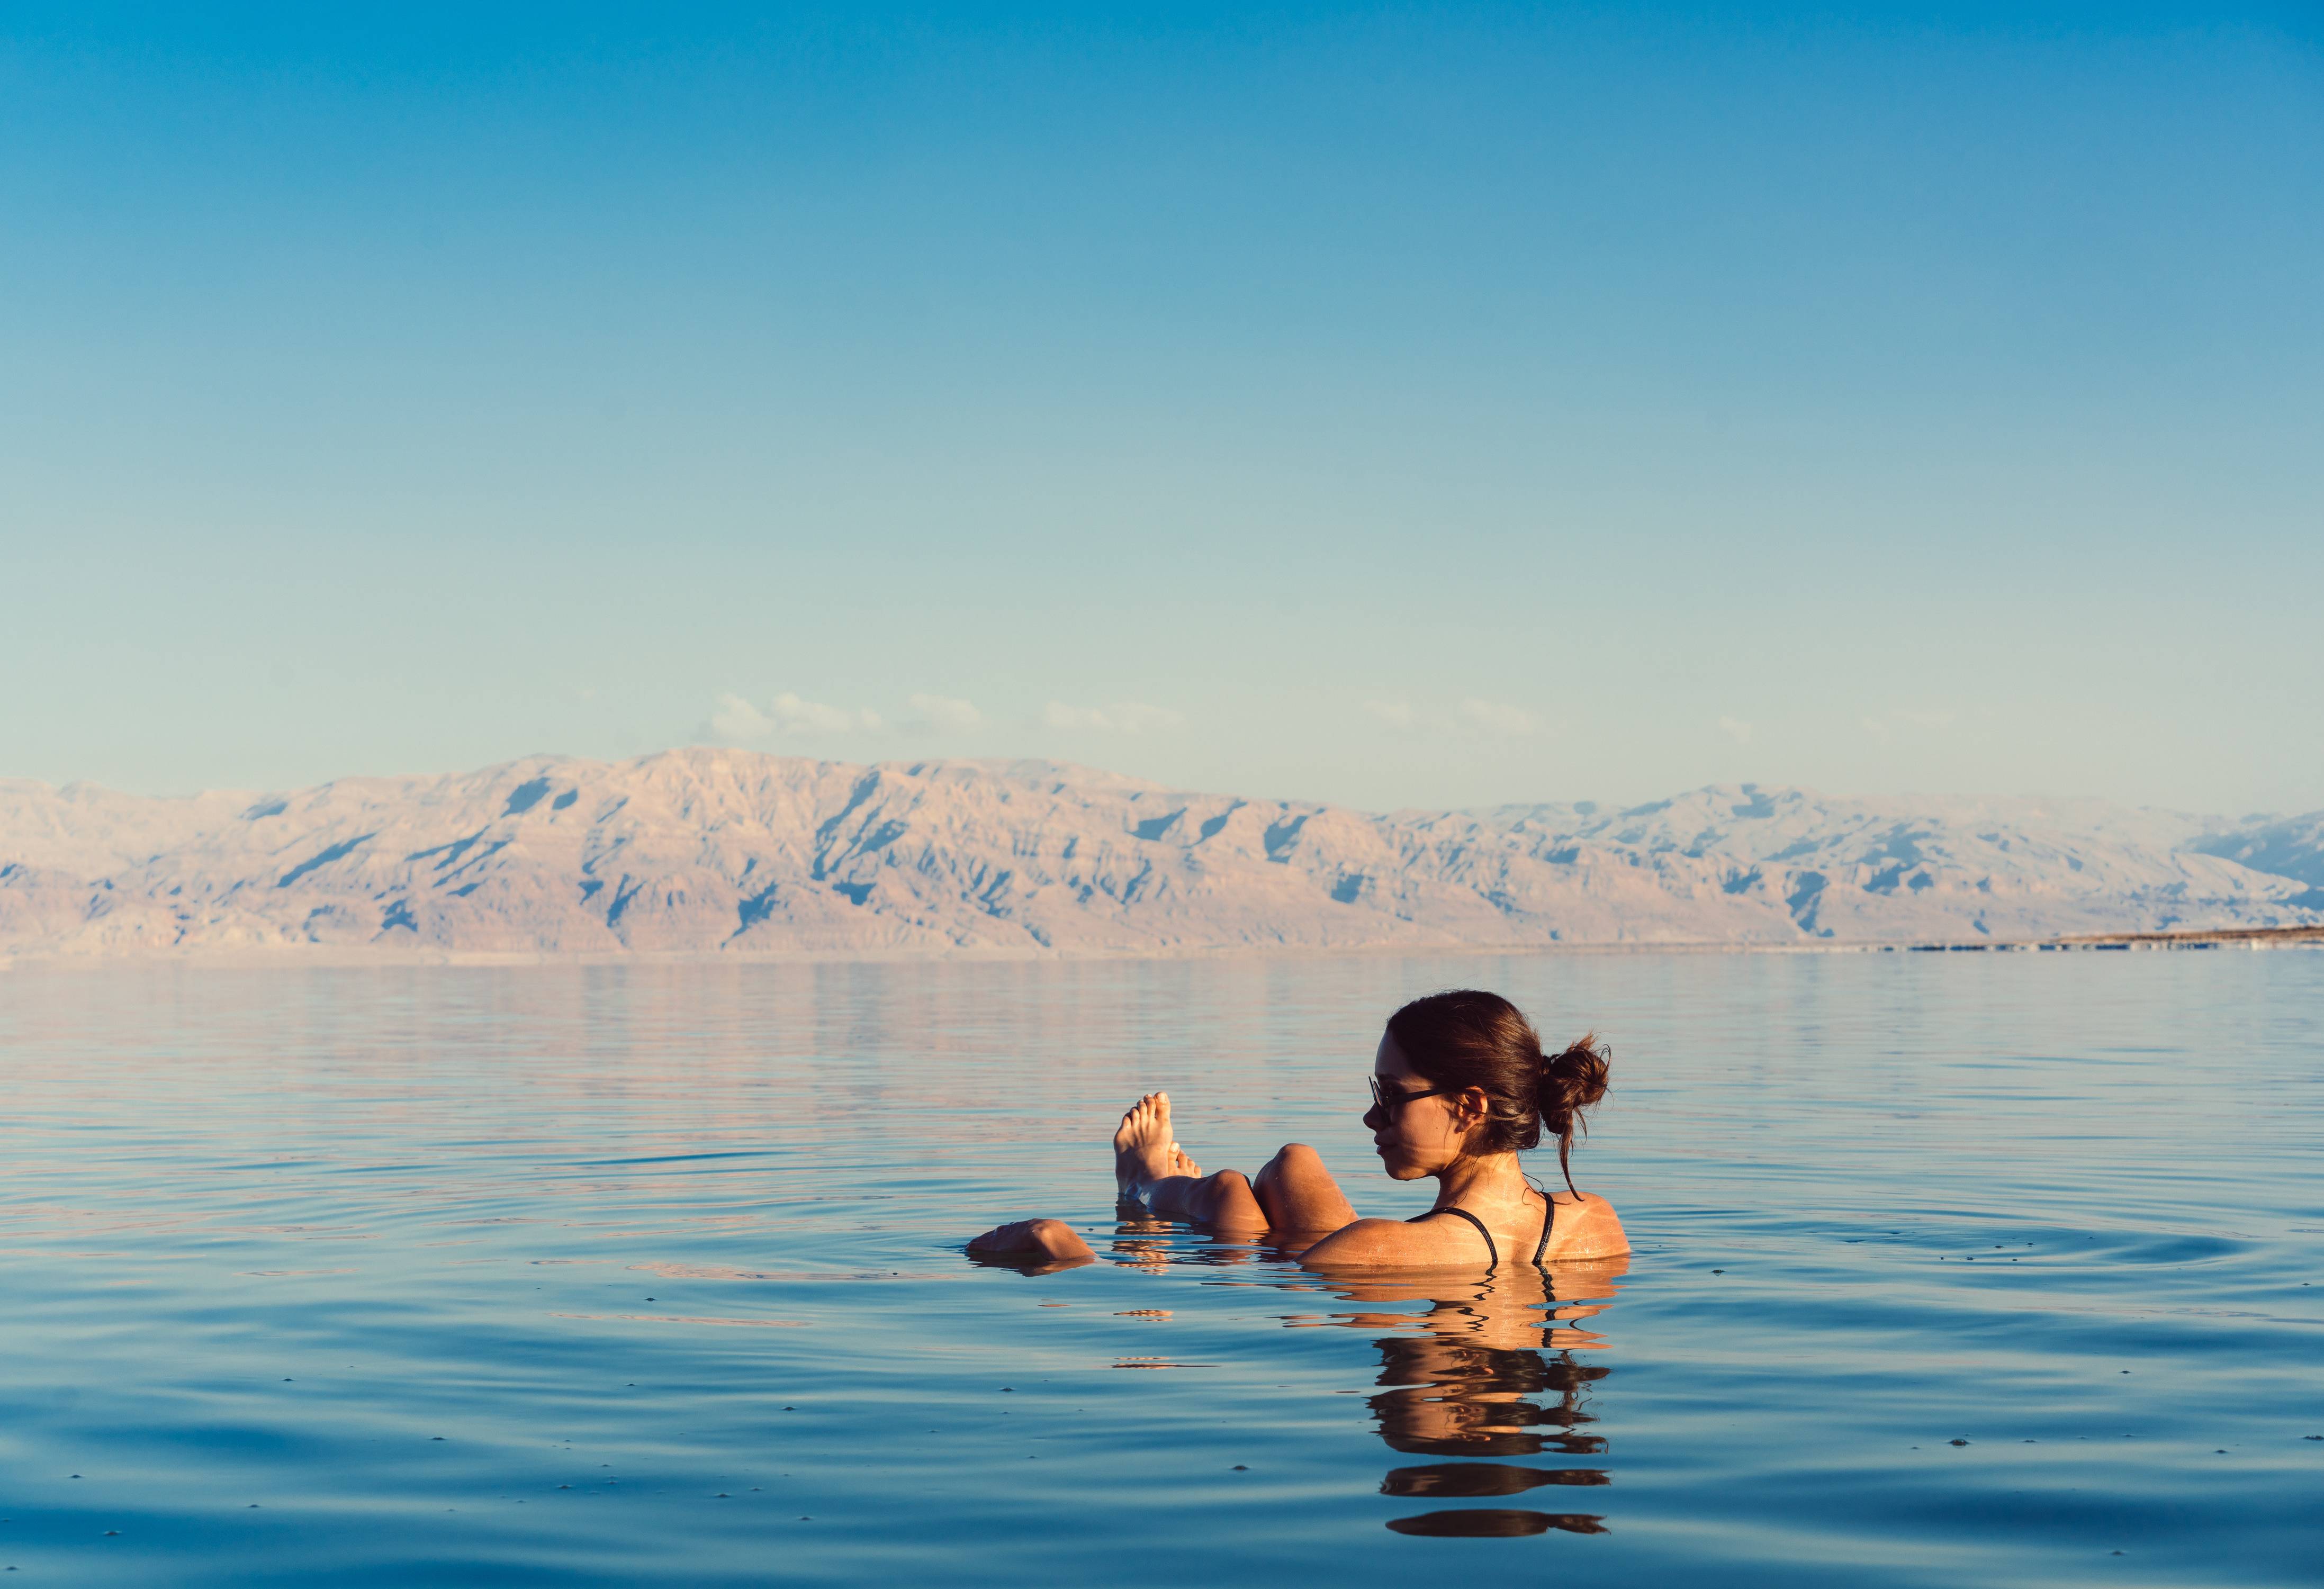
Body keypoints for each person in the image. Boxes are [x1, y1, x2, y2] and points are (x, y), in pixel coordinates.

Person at [967, 988, 1627, 1269]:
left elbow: (1270, 1289)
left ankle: (1145, 1183)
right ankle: (1161, 1182)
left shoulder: (1372, 1246)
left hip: (1358, 1259)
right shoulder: (1594, 1220)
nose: (1371, 1117)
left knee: (1231, 1197)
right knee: (1294, 1160)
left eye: (1391, 1096)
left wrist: (1061, 1249)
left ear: (1469, 1106)